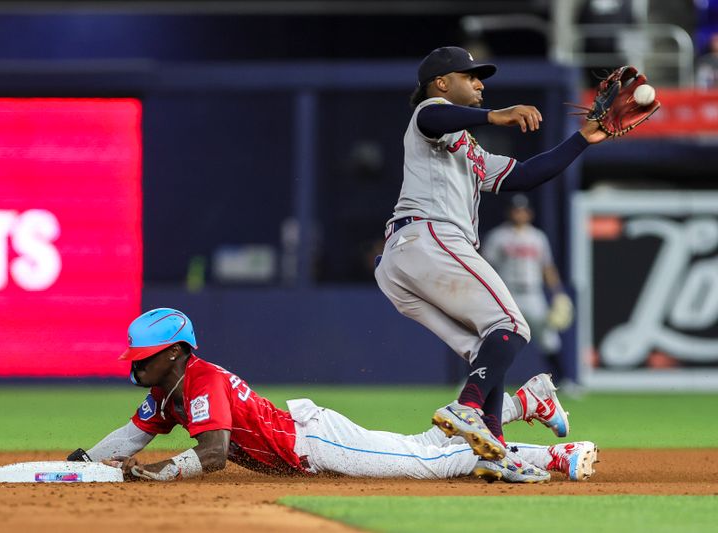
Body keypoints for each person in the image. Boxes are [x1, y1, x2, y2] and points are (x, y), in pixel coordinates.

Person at [373, 46, 608, 471]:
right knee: (514, 326)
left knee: (486, 347)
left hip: (402, 262)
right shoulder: (432, 113)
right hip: (429, 235)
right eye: (471, 76)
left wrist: (581, 140)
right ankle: (467, 408)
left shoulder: (468, 147)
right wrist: (497, 114)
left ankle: (494, 448)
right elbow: (432, 117)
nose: (480, 84)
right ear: (442, 83)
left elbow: (524, 175)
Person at [67, 308, 598, 483]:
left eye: (146, 356)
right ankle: (533, 414)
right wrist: (89, 460)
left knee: (429, 463)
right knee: (424, 447)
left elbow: (212, 454)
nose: (135, 364)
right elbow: (134, 433)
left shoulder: (200, 379)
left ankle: (528, 419)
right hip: (302, 441)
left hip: (314, 443)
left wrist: (159, 475)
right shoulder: (168, 388)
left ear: (177, 352)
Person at [481, 194, 576, 388]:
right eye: (516, 209)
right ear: (510, 212)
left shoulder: (537, 237)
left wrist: (558, 292)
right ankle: (477, 378)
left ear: (529, 213)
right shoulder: (498, 236)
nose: (519, 213)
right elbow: (486, 266)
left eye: (523, 210)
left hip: (533, 293)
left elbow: (547, 267)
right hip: (508, 293)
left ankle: (564, 381)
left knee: (548, 338)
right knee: (494, 337)